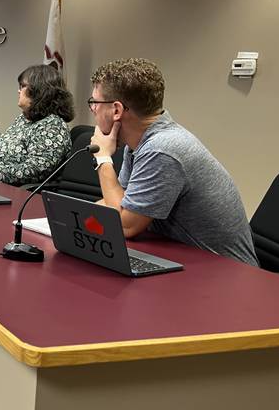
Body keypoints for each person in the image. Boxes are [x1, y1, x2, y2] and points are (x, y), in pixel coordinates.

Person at [89, 57, 258, 266]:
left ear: (116, 110)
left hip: (226, 275)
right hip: (184, 259)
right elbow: (118, 203)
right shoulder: (139, 143)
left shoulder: (162, 149)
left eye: (95, 102)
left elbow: (124, 225)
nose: (93, 109)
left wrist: (103, 158)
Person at [0, 65, 74, 184]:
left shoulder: (53, 125)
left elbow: (36, 170)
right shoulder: (25, 118)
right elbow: (7, 147)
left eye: (22, 86)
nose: (18, 91)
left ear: (39, 90)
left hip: (21, 193)